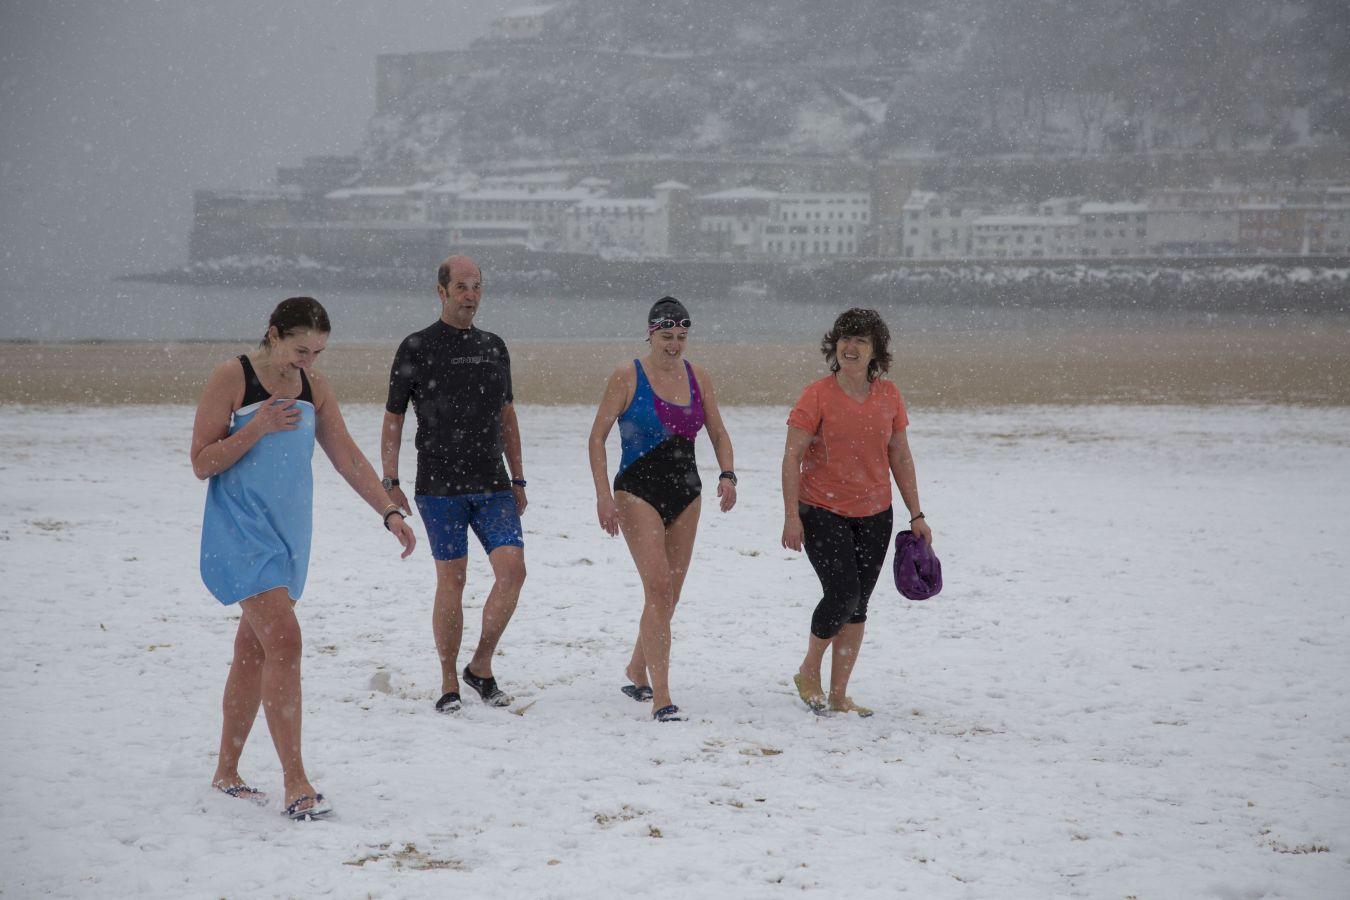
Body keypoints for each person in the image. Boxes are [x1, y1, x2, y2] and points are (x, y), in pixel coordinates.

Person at [192, 296, 416, 821]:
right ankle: (296, 782)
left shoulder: (315, 388)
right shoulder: (234, 376)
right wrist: (256, 428)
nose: (307, 362)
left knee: (253, 651)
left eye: (316, 352)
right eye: (299, 350)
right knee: (286, 642)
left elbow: (347, 458)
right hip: (239, 534)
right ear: (272, 335)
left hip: (288, 538)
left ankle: (227, 772)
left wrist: (388, 511)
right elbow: (203, 462)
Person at [382, 255, 527, 713]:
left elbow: (507, 416)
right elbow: (394, 417)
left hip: (493, 482)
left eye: (477, 287)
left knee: (513, 571)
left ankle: (480, 667)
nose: (470, 295)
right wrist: (390, 478)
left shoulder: (494, 346)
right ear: (441, 291)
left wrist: (518, 476)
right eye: (462, 287)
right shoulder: (416, 347)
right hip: (439, 486)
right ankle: (448, 681)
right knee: (453, 579)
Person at [587, 297, 737, 722]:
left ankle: (637, 667)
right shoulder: (627, 375)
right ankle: (661, 696)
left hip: (687, 492)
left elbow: (719, 431)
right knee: (657, 588)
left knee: (670, 592)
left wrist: (728, 474)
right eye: (667, 336)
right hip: (637, 491)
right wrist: (602, 495)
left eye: (681, 337)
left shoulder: (698, 376)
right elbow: (597, 437)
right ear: (650, 334)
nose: (674, 345)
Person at [780, 308, 932, 718]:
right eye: (845, 339)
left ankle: (840, 694)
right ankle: (809, 669)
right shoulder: (817, 394)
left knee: (860, 604)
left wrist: (916, 514)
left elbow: (900, 455)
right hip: (821, 509)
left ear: (874, 351)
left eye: (861, 341)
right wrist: (791, 515)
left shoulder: (889, 395)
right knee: (842, 595)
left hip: (875, 514)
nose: (850, 347)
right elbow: (792, 455)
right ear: (835, 346)